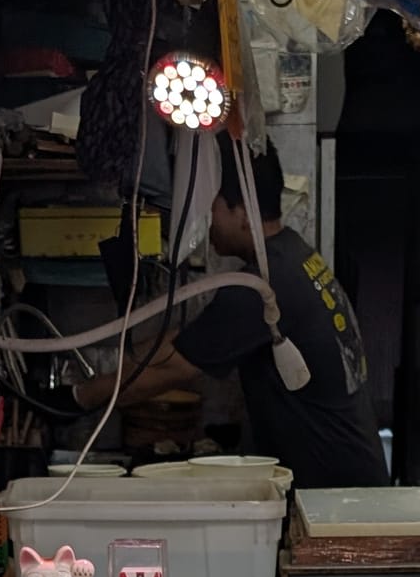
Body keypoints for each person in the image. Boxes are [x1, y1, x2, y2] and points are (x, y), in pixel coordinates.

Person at [72, 140, 390, 490]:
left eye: (212, 207)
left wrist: (80, 398)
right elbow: (187, 342)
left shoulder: (262, 286)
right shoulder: (291, 254)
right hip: (351, 480)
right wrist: (116, 367)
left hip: (335, 496)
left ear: (242, 210)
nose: (207, 222)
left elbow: (177, 367)